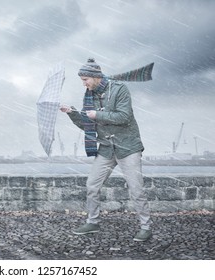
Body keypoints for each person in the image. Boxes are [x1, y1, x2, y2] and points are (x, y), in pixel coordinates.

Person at [60, 58, 152, 242]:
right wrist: (72, 113)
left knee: (136, 189)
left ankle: (145, 227)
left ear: (95, 77)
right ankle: (92, 222)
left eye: (85, 79)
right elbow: (88, 125)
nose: (83, 83)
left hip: (128, 147)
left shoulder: (119, 89)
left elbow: (124, 116)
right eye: (82, 80)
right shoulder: (90, 95)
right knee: (92, 185)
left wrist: (98, 114)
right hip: (106, 149)